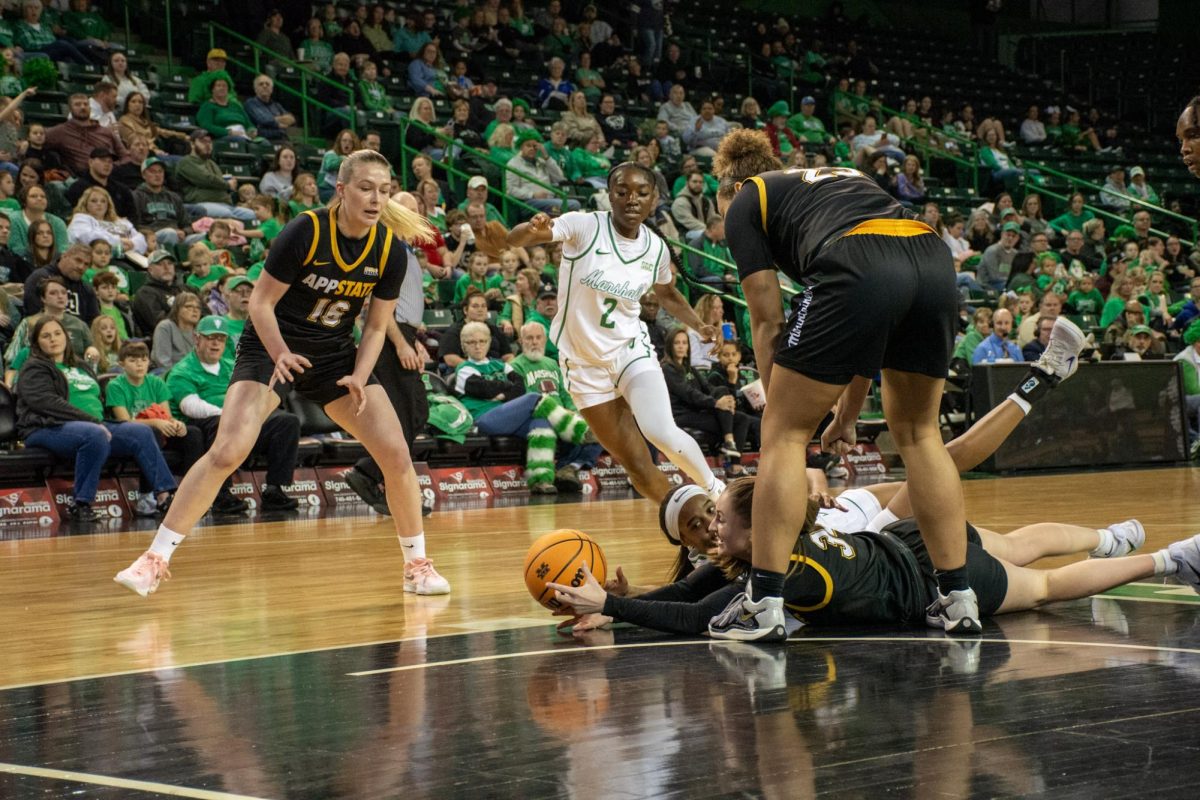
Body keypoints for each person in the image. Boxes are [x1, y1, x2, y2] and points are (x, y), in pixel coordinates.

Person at [704, 130, 1077, 640]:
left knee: (783, 437)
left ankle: (763, 603)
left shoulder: (746, 198)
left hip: (858, 262)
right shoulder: (836, 179)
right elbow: (868, 326)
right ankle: (956, 598)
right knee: (921, 434)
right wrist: (848, 414)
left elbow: (767, 321)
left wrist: (783, 415)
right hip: (930, 257)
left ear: (727, 189)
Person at [115, 149, 451, 598]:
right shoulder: (307, 230)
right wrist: (280, 354)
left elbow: (374, 326)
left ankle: (417, 567)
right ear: (342, 190)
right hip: (272, 347)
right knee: (228, 450)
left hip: (334, 356)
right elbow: (260, 304)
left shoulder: (389, 250)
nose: (375, 198)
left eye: (383, 190)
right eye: (366, 188)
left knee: (396, 455)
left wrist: (360, 375)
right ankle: (153, 560)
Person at [545, 475, 1200, 638]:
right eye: (703, 524)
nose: (713, 530)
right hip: (906, 543)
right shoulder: (777, 544)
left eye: (719, 519)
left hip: (927, 576)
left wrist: (612, 605)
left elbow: (695, 617)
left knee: (1049, 586)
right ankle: (1112, 536)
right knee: (1025, 544)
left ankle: (1172, 560)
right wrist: (612, 611)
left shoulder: (782, 576)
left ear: (754, 527)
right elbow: (690, 594)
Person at [508, 162, 727, 505]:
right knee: (636, 465)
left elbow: (667, 294)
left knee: (660, 430)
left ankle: (719, 494)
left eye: (642, 193)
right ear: (610, 195)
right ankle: (687, 525)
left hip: (630, 349)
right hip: (583, 364)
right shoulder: (584, 225)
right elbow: (516, 238)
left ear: (654, 198)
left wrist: (699, 326)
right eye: (622, 192)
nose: (631, 199)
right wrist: (531, 228)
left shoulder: (655, 247)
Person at [16, 316, 175, 522]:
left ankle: (164, 496)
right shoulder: (33, 368)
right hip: (47, 427)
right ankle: (81, 503)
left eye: (57, 333)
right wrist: (92, 421)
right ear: (37, 342)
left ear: (66, 336)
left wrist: (99, 421)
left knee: (142, 432)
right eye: (46, 336)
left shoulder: (81, 365)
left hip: (95, 424)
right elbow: (46, 403)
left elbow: (97, 400)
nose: (53, 339)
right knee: (95, 435)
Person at [176, 130, 255, 223]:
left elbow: (220, 183)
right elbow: (206, 179)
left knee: (253, 215)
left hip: (226, 204)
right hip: (201, 205)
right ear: (192, 144)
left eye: (209, 142)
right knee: (226, 214)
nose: (207, 145)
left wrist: (231, 185)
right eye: (203, 142)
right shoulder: (186, 162)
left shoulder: (212, 163)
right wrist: (228, 184)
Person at [151, 290, 200, 370]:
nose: (195, 310)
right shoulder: (165, 327)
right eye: (189, 306)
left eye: (198, 307)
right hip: (170, 375)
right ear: (177, 309)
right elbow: (162, 362)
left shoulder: (200, 330)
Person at [244, 74, 295, 143]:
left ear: (271, 89)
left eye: (267, 84)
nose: (264, 86)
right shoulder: (250, 103)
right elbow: (263, 120)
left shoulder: (276, 105)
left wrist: (272, 120)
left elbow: (291, 119)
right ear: (255, 89)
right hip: (262, 140)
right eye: (261, 84)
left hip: (281, 138)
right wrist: (279, 123)